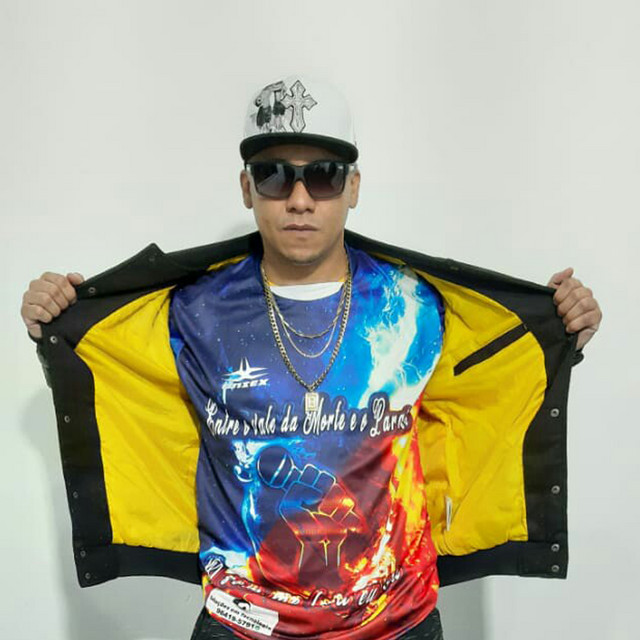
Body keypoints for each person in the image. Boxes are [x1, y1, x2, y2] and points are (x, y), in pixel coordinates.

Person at [21, 75, 602, 640]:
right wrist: (58, 318)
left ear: (353, 187)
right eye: (274, 176)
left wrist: (561, 329)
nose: (299, 200)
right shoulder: (192, 311)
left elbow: (494, 383)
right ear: (247, 188)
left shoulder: (415, 306)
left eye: (323, 176)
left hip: (397, 623)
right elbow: (110, 368)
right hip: (242, 624)